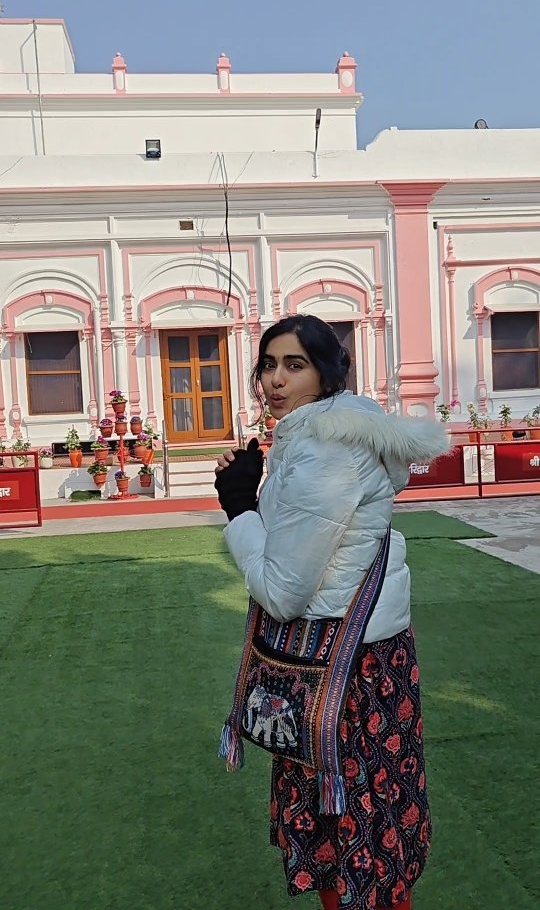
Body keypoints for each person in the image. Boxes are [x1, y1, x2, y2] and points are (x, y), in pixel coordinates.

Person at [214, 314, 450, 910]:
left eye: (294, 365)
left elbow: (285, 590)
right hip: (367, 655)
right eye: (268, 365)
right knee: (371, 831)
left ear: (326, 373)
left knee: (352, 839)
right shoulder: (327, 436)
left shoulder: (325, 449)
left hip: (337, 672)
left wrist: (239, 507)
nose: (275, 379)